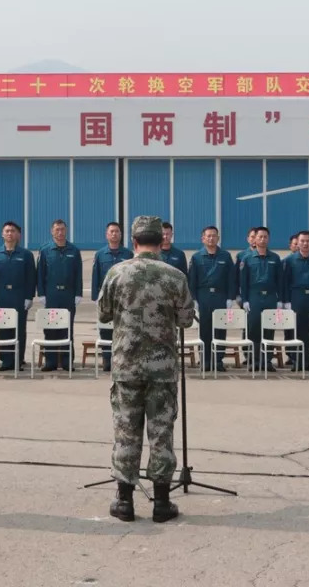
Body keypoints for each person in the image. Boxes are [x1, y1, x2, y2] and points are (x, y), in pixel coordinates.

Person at [97, 215, 194, 523]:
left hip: (126, 367)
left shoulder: (117, 272)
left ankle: (124, 500)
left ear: (134, 242)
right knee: (161, 432)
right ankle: (162, 503)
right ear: (160, 242)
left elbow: (102, 314)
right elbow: (186, 320)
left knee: (126, 431)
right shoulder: (175, 276)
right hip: (162, 368)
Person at [36, 219, 83, 371]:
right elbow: (40, 274)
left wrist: (78, 293)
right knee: (50, 329)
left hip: (68, 294)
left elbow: (78, 274)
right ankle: (50, 362)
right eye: (57, 229)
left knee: (67, 329)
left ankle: (67, 361)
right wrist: (41, 293)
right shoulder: (45, 250)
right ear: (52, 231)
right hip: (51, 294)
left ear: (66, 230)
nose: (60, 232)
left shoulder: (74, 251)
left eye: (62, 229)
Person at [188, 225, 236, 373]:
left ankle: (218, 360)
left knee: (220, 330)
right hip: (204, 296)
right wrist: (193, 299)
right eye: (208, 236)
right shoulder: (196, 257)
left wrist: (230, 298)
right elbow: (192, 280)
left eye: (214, 235)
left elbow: (231, 279)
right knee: (205, 330)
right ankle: (205, 360)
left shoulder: (225, 256)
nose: (211, 238)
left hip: (221, 296)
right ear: (203, 238)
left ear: (218, 238)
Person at [0, 221, 36, 371]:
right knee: (3, 328)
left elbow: (31, 277)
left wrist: (29, 297)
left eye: (13, 231)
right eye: (7, 231)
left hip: (19, 295)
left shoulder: (26, 255)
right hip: (2, 294)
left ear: (19, 235)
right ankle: (6, 360)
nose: (10, 233)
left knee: (19, 328)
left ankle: (18, 359)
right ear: (2, 234)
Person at [239, 226, 284, 371]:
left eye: (265, 237)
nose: (263, 239)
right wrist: (244, 300)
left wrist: (280, 300)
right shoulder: (247, 258)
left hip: (270, 296)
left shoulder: (275, 258)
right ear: (255, 239)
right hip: (254, 297)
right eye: (260, 237)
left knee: (269, 330)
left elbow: (280, 281)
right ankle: (253, 360)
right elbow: (243, 282)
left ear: (268, 239)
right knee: (253, 330)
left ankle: (267, 361)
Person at [92, 221, 133, 372]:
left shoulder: (127, 254)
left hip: (123, 298)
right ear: (107, 235)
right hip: (106, 298)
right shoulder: (100, 254)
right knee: (105, 329)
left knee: (123, 329)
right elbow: (96, 276)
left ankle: (122, 359)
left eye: (117, 231)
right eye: (111, 231)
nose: (114, 234)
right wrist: (96, 297)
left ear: (121, 235)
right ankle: (107, 359)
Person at [282, 230, 309, 372]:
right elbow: (285, 282)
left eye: (308, 241)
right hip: (297, 297)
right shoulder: (290, 260)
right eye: (303, 241)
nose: (305, 244)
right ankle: (296, 361)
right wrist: (287, 301)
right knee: (297, 331)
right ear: (298, 243)